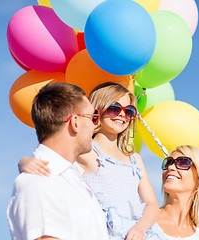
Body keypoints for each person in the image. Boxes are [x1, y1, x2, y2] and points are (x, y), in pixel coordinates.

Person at [18, 82, 164, 240]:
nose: (122, 114)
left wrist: (140, 228)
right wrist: (24, 162)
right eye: (115, 108)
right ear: (98, 110)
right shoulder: (87, 151)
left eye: (129, 111)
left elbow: (151, 203)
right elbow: (54, 158)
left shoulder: (134, 158)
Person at [7, 82, 109, 240]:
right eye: (93, 117)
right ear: (75, 122)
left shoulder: (72, 179)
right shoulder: (40, 183)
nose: (96, 125)